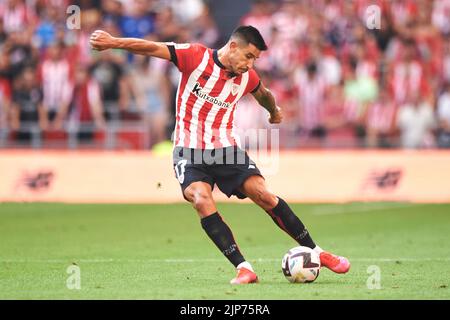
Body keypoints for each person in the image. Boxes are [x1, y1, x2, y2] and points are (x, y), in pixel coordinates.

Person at [90, 25, 350, 284]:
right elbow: (153, 47)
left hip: (226, 149)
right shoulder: (195, 57)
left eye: (255, 59)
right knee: (201, 199)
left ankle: (318, 252)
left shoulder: (247, 77)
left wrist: (274, 112)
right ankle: (244, 268)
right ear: (233, 46)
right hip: (188, 150)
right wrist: (113, 42)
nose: (250, 64)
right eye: (249, 56)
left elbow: (264, 95)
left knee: (264, 195)